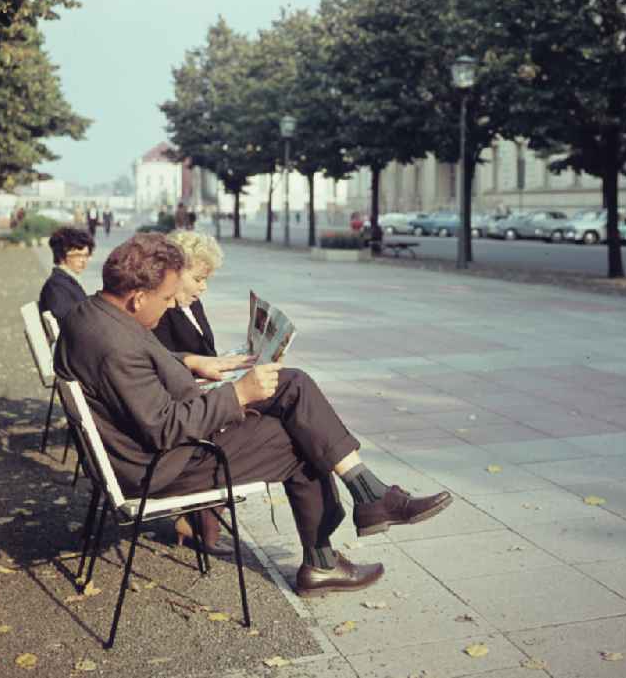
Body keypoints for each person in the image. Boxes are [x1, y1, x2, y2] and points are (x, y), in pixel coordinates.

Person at [54, 234, 452, 597]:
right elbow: (163, 427)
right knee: (300, 438)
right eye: (167, 297)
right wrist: (237, 394)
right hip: (163, 468)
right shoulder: (115, 346)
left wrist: (189, 361)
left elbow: (141, 363)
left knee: (291, 385)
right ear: (138, 297)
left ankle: (368, 495)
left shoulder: (90, 314)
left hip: (149, 450)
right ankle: (328, 555)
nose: (173, 303)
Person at [152, 230, 221, 357]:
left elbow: (208, 351)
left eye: (206, 279)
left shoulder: (193, 302)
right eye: (198, 279)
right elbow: (166, 364)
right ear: (174, 272)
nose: (204, 287)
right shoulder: (159, 313)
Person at [39, 227, 95, 323]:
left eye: (86, 255)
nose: (83, 260)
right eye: (77, 255)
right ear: (61, 256)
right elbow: (69, 321)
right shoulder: (56, 286)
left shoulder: (65, 281)